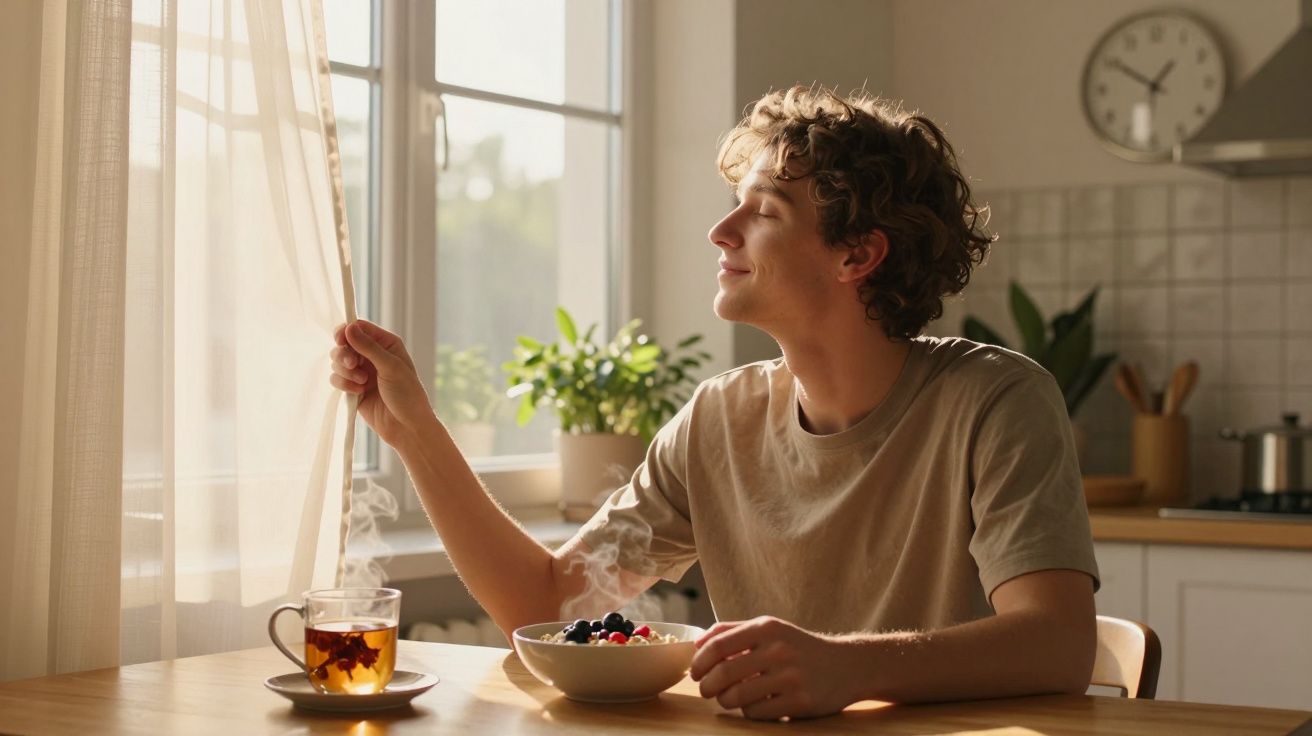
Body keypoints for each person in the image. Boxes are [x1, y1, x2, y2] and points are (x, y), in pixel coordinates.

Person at [329, 85, 1099, 721]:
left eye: (763, 211)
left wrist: (844, 668)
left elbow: (1058, 646)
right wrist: (415, 434)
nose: (720, 229)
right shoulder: (717, 419)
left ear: (856, 255)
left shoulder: (997, 401)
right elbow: (547, 602)